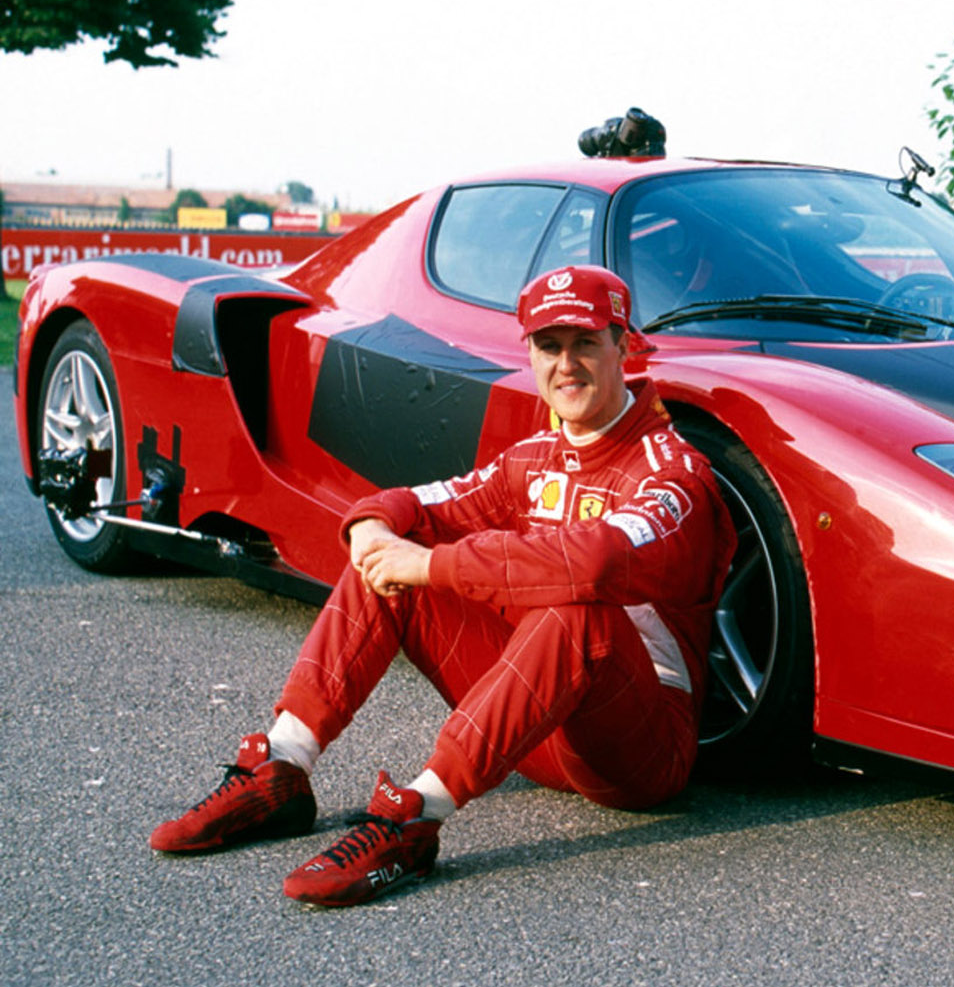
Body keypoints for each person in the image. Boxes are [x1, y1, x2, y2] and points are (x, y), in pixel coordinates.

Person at [149, 265, 735, 907]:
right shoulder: (532, 457)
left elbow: (593, 563)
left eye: (585, 342)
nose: (566, 364)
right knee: (385, 558)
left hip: (635, 752)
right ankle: (282, 768)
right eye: (548, 345)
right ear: (530, 355)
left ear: (625, 346)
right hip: (534, 726)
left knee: (576, 605)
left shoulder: (674, 471)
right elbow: (419, 505)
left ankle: (414, 818)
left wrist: (427, 564)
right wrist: (372, 529)